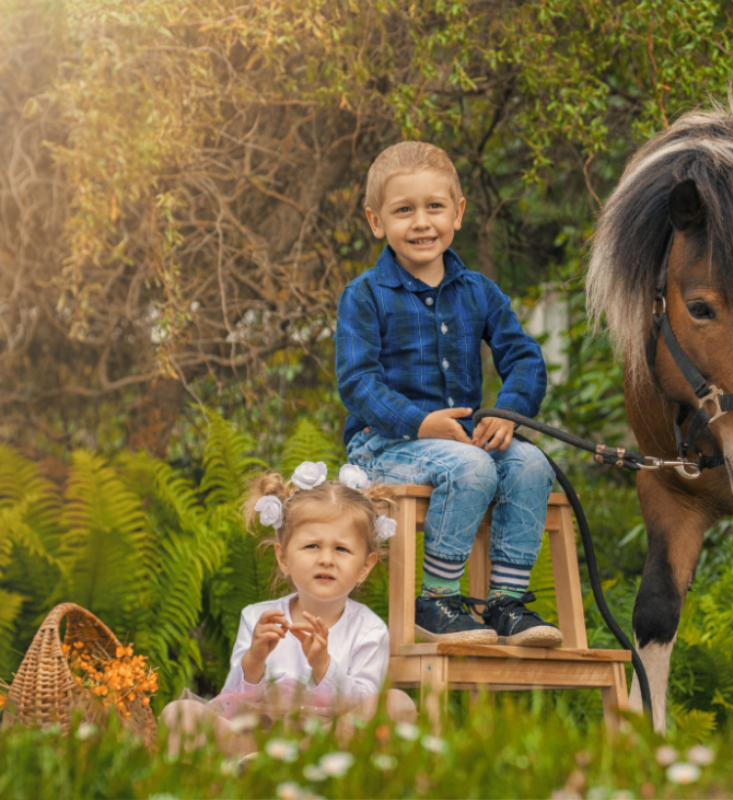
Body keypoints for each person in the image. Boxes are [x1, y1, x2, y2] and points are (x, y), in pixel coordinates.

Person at [336, 141, 560, 648]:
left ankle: (505, 602)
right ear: (376, 221)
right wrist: (420, 423)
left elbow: (525, 358)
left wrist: (508, 412)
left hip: (461, 442)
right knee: (472, 468)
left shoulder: (479, 291)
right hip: (384, 447)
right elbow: (358, 382)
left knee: (531, 463)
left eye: (434, 207)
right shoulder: (364, 295)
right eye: (403, 210)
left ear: (457, 213)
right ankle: (436, 600)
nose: (421, 223)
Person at [160, 462, 416, 756]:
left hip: (328, 739)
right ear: (283, 558)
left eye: (342, 549)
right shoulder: (257, 617)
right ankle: (251, 761)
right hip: (255, 734)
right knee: (178, 713)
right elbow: (230, 700)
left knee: (397, 705)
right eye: (312, 546)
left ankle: (299, 760)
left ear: (365, 567)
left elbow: (365, 703)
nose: (326, 559)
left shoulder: (368, 629)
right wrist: (254, 659)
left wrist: (324, 666)